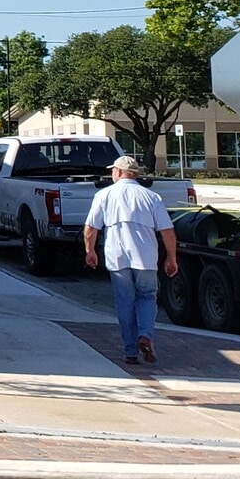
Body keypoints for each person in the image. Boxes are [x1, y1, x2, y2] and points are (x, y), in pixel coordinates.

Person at [82, 154, 179, 365]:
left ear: (118, 172)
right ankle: (145, 334)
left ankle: (130, 352)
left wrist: (90, 251)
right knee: (147, 296)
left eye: (112, 170)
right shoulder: (151, 197)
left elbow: (91, 228)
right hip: (145, 257)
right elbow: (168, 232)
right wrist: (171, 258)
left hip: (116, 257)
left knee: (125, 301)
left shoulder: (104, 195)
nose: (112, 173)